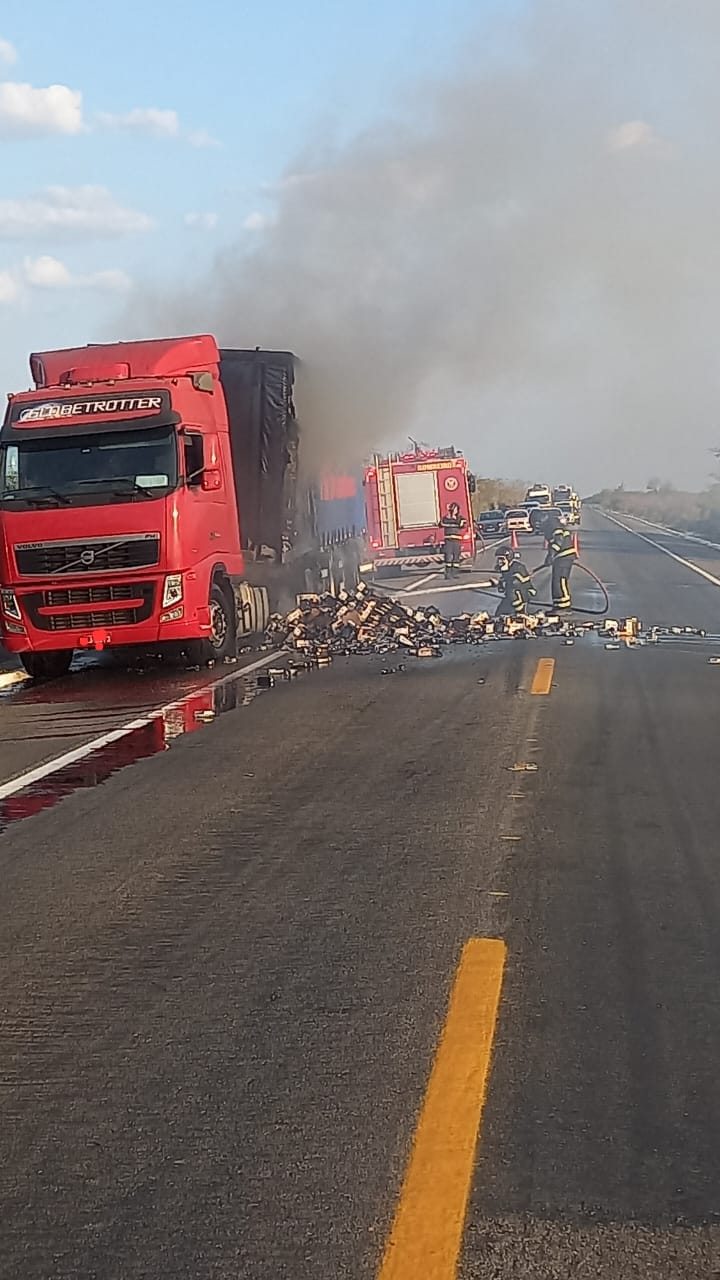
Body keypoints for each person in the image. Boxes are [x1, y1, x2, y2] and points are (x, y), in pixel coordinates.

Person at [544, 512, 577, 610]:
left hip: (564, 557)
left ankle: (564, 607)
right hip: (560, 558)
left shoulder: (554, 527)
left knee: (560, 581)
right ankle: (558, 605)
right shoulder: (555, 526)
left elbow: (558, 541)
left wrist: (551, 555)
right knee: (556, 582)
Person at [494, 548, 536, 616]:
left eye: (502, 559)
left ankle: (520, 613)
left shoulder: (518, 568)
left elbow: (515, 583)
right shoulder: (508, 567)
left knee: (509, 613)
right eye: (498, 559)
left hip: (519, 595)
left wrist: (500, 583)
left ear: (508, 558)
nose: (499, 561)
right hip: (511, 596)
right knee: (499, 613)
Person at [439, 501, 465, 578]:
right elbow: (441, 524)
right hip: (448, 540)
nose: (455, 511)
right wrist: (449, 517)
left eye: (456, 509)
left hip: (457, 540)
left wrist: (453, 520)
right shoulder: (445, 518)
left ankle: (454, 573)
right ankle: (448, 573)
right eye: (454, 509)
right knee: (448, 557)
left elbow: (461, 524)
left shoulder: (460, 519)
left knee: (456, 557)